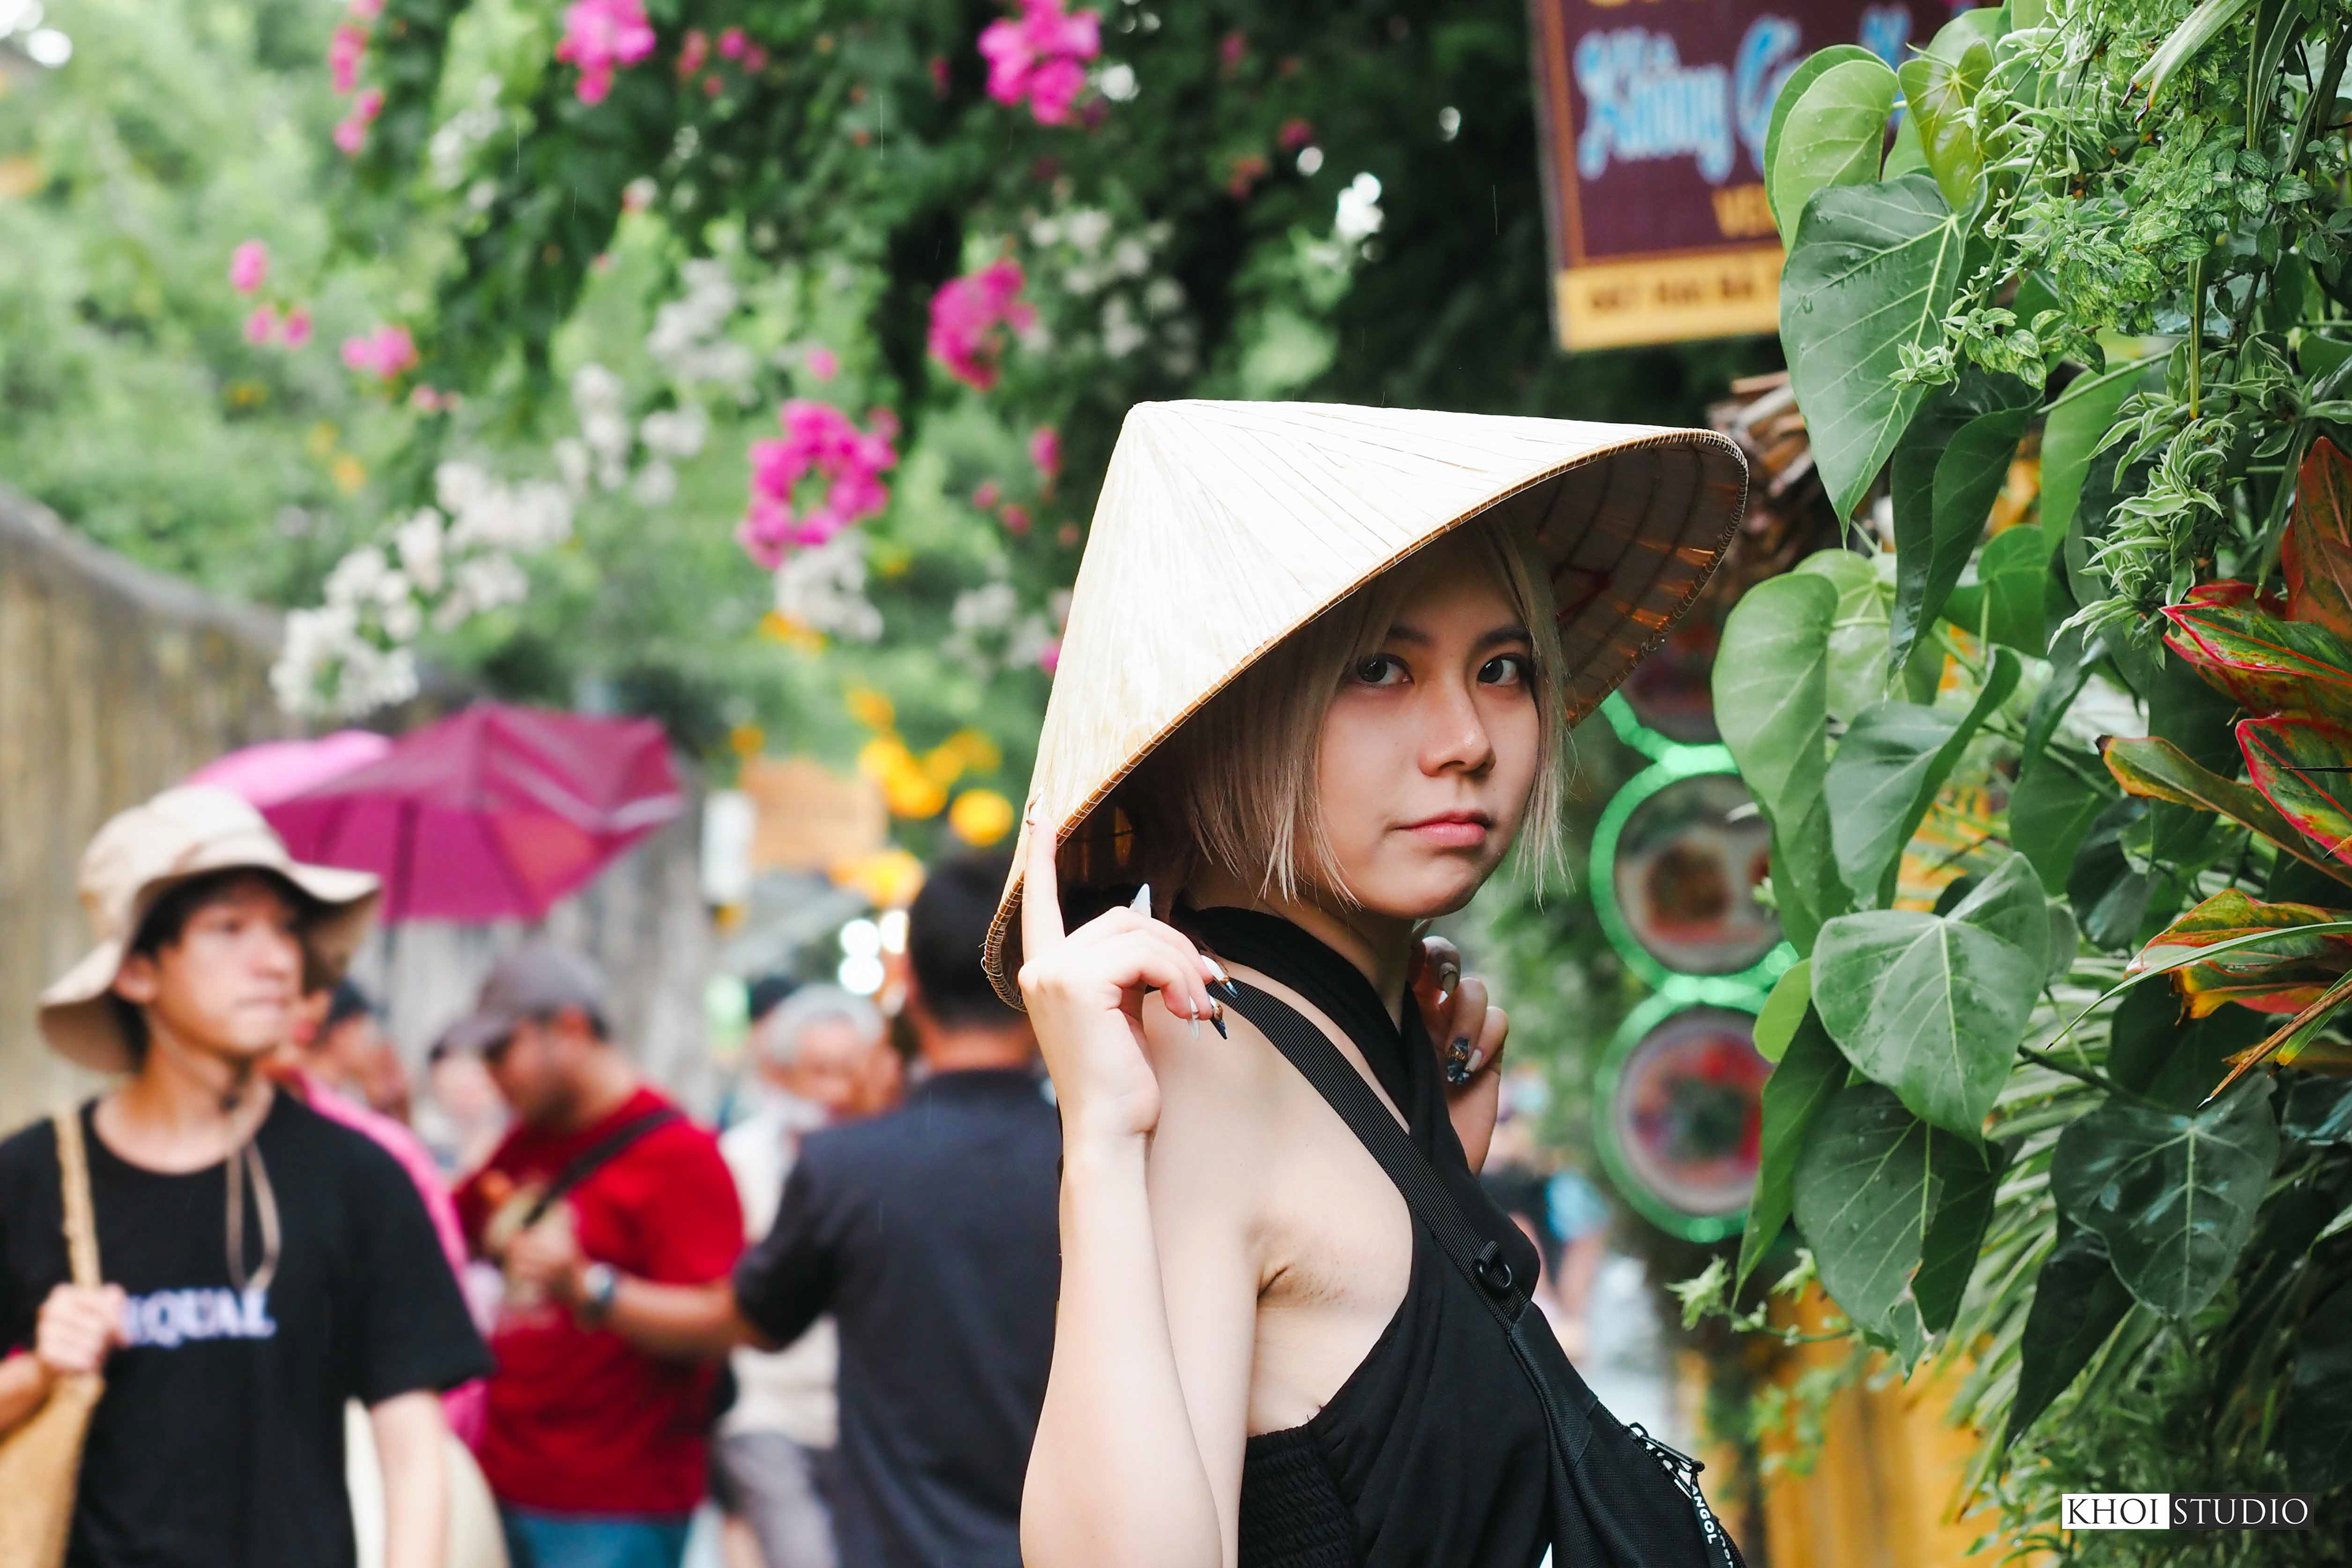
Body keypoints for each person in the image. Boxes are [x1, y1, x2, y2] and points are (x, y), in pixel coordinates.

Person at [989, 399, 1746, 1567]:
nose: (1468, 739)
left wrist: (1436, 1183)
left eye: (1503, 669)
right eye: (1381, 669)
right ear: (1223, 711)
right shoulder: (1203, 1055)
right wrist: (1100, 1142)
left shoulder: (1350, 1057)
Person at [503, 853, 1063, 1568]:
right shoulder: (1093, 1157)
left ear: (908, 983)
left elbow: (741, 1320)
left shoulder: (849, 1167)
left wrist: (590, 1286)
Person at [0, 785, 491, 1568]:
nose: (278, 961)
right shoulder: (32, 1178)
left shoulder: (359, 1177)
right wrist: (38, 1371)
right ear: (137, 971)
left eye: (286, 928)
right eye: (228, 928)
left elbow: (412, 1450)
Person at [448, 943, 744, 1568]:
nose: (492, 1074)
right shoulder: (527, 1143)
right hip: (502, 1475)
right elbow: (447, 1226)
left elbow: (722, 1321)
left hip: (614, 1503)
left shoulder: (681, 1157)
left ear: (572, 1029)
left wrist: (588, 1287)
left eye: (502, 1050)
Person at [710, 984, 884, 1568]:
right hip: (767, 1408)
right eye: (819, 1072)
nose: (835, 1091)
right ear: (782, 1075)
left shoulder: (890, 1163)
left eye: (848, 1071)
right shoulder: (738, 1161)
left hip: (865, 1415)